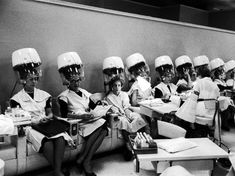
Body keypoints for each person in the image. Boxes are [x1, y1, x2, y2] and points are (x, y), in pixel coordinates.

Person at [10, 48, 72, 176]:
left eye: (36, 79)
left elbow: (49, 113)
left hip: (46, 123)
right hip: (30, 126)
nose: (34, 82)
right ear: (23, 80)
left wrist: (48, 118)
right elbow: (20, 119)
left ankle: (57, 171)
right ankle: (58, 171)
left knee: (60, 138)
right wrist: (35, 121)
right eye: (31, 79)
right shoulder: (16, 99)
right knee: (47, 143)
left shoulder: (45, 95)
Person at [57, 52, 108, 176]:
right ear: (68, 81)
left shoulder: (85, 92)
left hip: (89, 120)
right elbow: (64, 116)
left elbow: (92, 107)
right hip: (78, 123)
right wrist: (80, 116)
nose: (77, 83)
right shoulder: (64, 96)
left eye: (78, 80)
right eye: (73, 81)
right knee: (103, 128)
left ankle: (84, 158)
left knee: (104, 129)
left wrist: (102, 105)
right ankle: (85, 162)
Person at [175, 55, 220, 137]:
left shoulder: (198, 83)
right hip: (211, 114)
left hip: (201, 114)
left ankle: (188, 134)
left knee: (181, 115)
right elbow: (217, 98)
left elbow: (192, 100)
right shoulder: (215, 86)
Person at [105, 75, 147, 160]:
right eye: (115, 85)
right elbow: (112, 109)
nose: (117, 87)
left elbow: (126, 106)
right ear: (111, 87)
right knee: (124, 122)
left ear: (121, 86)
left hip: (127, 112)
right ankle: (128, 145)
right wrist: (121, 114)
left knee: (138, 117)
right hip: (118, 116)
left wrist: (129, 115)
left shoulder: (124, 94)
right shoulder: (108, 97)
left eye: (119, 85)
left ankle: (141, 143)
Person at [210, 58, 235, 131]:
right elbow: (222, 88)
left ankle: (226, 123)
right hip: (218, 100)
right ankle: (224, 124)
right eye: (222, 73)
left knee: (229, 105)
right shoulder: (216, 82)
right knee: (227, 105)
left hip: (224, 99)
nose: (224, 74)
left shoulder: (223, 82)